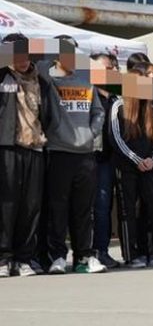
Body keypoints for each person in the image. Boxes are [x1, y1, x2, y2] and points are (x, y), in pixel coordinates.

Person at [42, 37, 106, 274]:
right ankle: (58, 256)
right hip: (58, 151)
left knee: (83, 209)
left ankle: (83, 257)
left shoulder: (85, 81)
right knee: (58, 208)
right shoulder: (47, 79)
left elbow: (98, 112)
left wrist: (91, 133)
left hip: (85, 152)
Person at [0, 34, 59, 277]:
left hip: (35, 147)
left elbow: (50, 112)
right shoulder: (3, 76)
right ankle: (4, 258)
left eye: (26, 54)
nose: (22, 60)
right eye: (16, 54)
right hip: (7, 147)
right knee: (7, 204)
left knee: (31, 206)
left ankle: (25, 258)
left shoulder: (42, 80)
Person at [111, 64, 153, 268]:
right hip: (127, 166)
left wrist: (152, 159)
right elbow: (116, 138)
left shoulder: (150, 107)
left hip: (149, 165)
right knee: (128, 211)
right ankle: (132, 255)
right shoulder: (119, 106)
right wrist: (136, 159)